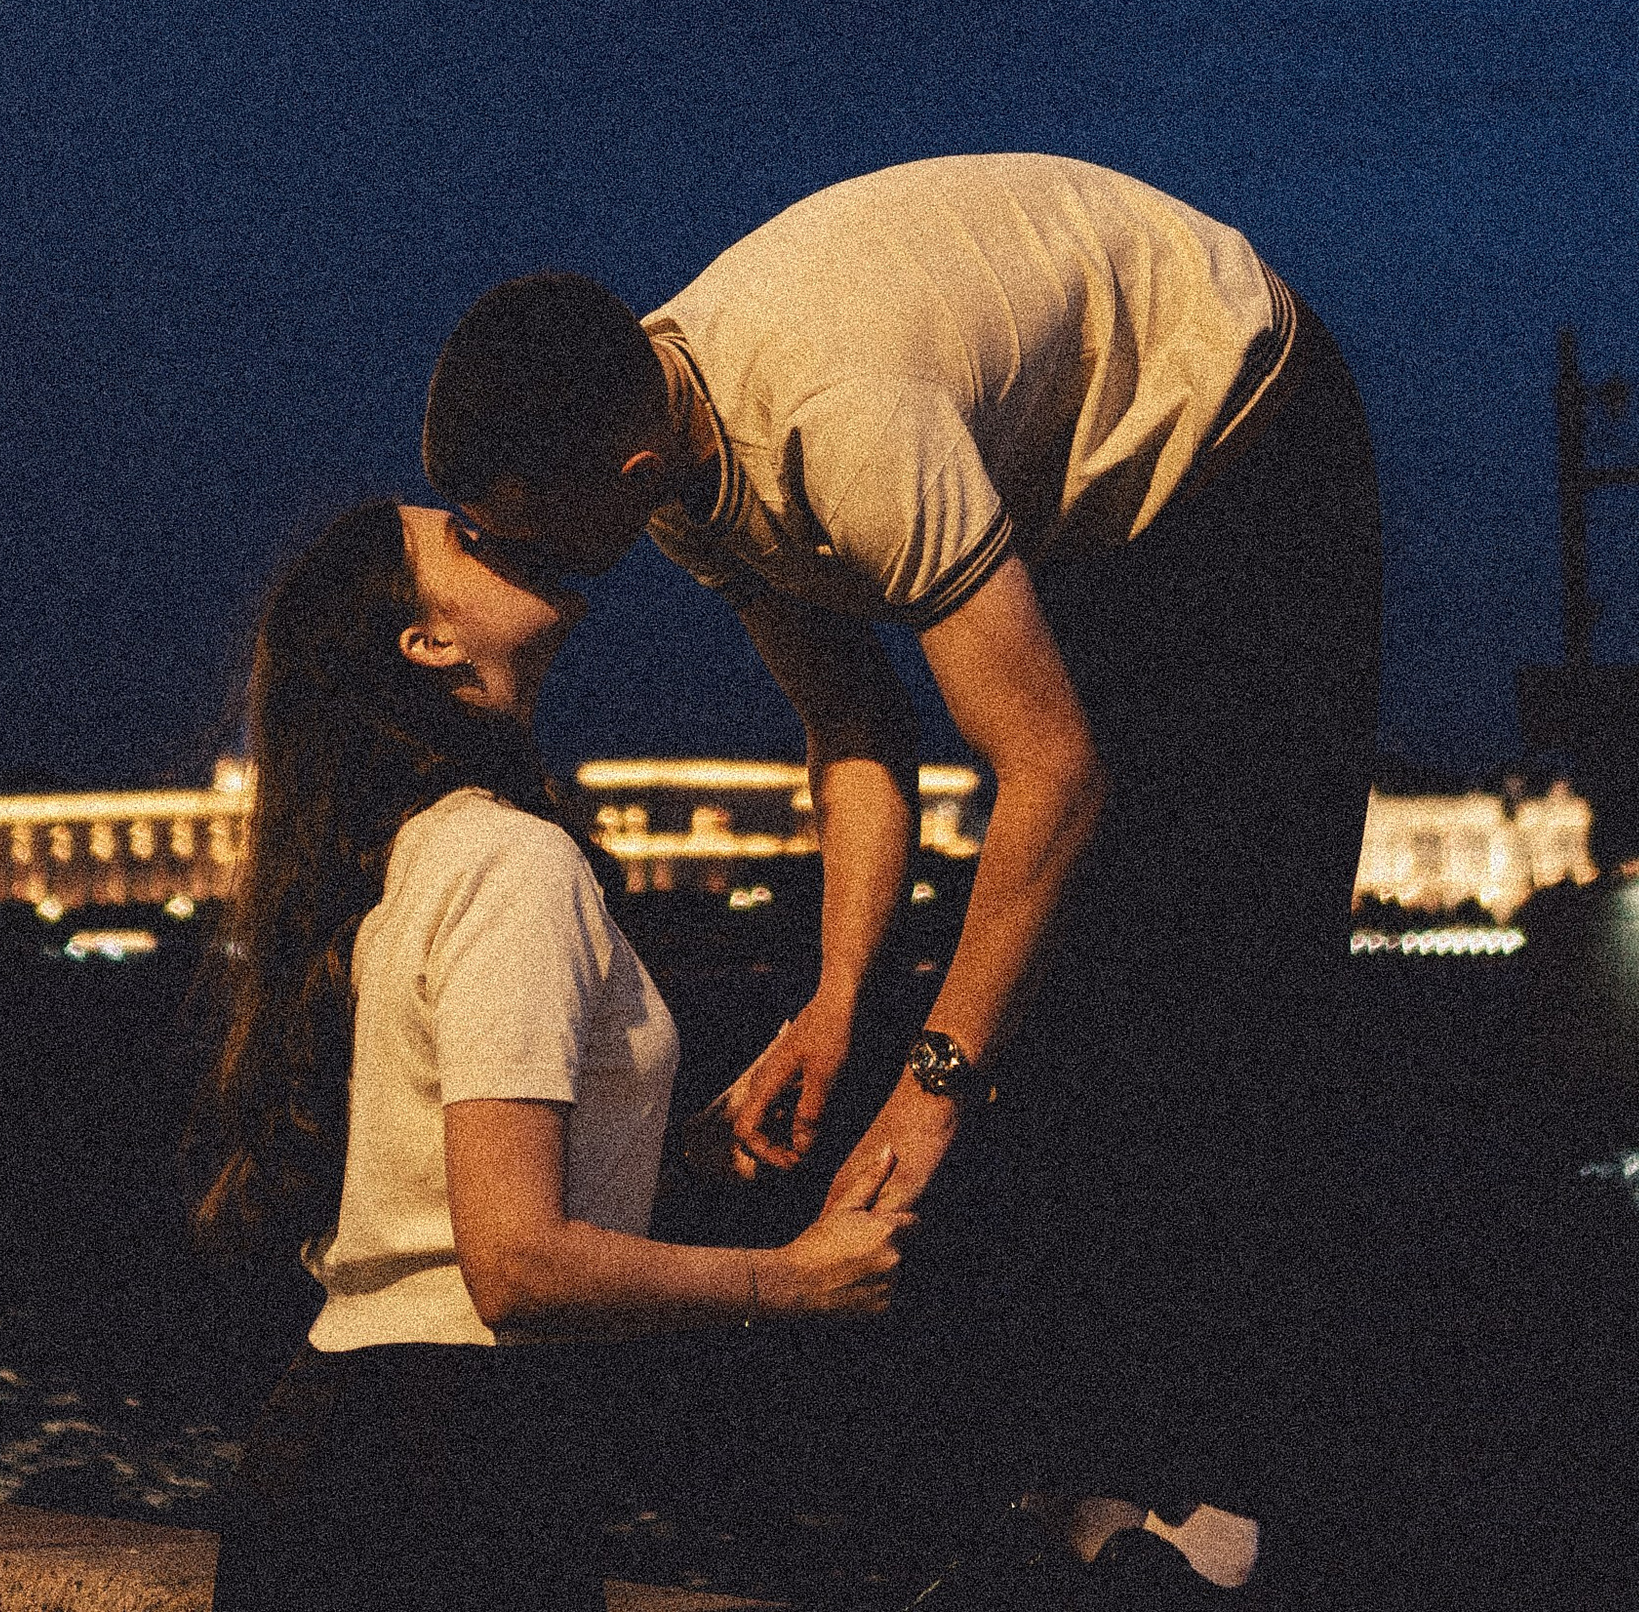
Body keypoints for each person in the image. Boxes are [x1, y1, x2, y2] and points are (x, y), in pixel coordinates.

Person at [421, 155, 1384, 1603]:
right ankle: (1084, 1476)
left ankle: (1226, 1505)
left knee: (1210, 971)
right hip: (1091, 498)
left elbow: (1048, 771)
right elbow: (855, 735)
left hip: (1246, 432)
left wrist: (932, 1079)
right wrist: (833, 1001)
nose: (504, 561)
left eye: (517, 531)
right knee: (1043, 981)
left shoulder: (842, 424)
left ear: (616, 478)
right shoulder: (676, 467)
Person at [198, 493, 922, 1612]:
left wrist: (671, 1153)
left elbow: (443, 1196)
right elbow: (515, 1267)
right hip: (444, 1474)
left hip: (367, 1445)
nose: (504, 523)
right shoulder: (509, 863)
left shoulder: (424, 855)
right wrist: (791, 1281)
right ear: (429, 639)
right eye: (465, 536)